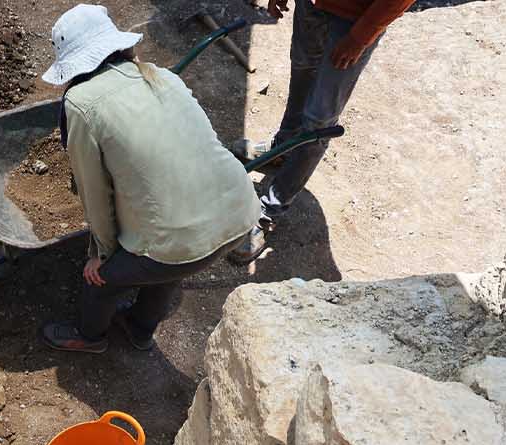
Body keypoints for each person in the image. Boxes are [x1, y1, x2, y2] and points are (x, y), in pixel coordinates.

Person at [38, 5, 260, 355]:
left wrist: (102, 255)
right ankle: (140, 327)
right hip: (239, 213)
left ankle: (89, 335)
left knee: (101, 281)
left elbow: (94, 193)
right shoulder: (160, 75)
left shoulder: (80, 103)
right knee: (169, 259)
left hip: (181, 239)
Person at [228, 0, 415, 262]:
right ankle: (283, 146)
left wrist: (361, 37)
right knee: (302, 71)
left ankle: (270, 210)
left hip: (353, 20)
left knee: (319, 121)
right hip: (312, 7)